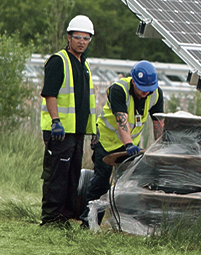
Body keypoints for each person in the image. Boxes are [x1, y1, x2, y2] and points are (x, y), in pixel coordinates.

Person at [84, 60, 165, 214]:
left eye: (149, 89)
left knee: (130, 184)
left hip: (131, 145)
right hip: (107, 141)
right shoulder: (119, 90)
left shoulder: (155, 94)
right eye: (142, 89)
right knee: (101, 181)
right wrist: (128, 144)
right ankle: (88, 219)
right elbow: (121, 121)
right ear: (133, 82)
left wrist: (161, 147)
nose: (146, 93)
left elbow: (158, 123)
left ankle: (124, 220)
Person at [40, 15, 98, 227]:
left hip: (77, 131)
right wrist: (56, 121)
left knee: (72, 176)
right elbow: (50, 94)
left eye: (86, 38)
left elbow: (86, 101)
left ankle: (64, 217)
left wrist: (93, 131)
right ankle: (51, 218)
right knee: (57, 175)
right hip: (60, 130)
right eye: (78, 37)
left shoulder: (84, 65)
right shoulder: (59, 61)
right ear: (69, 37)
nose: (82, 42)